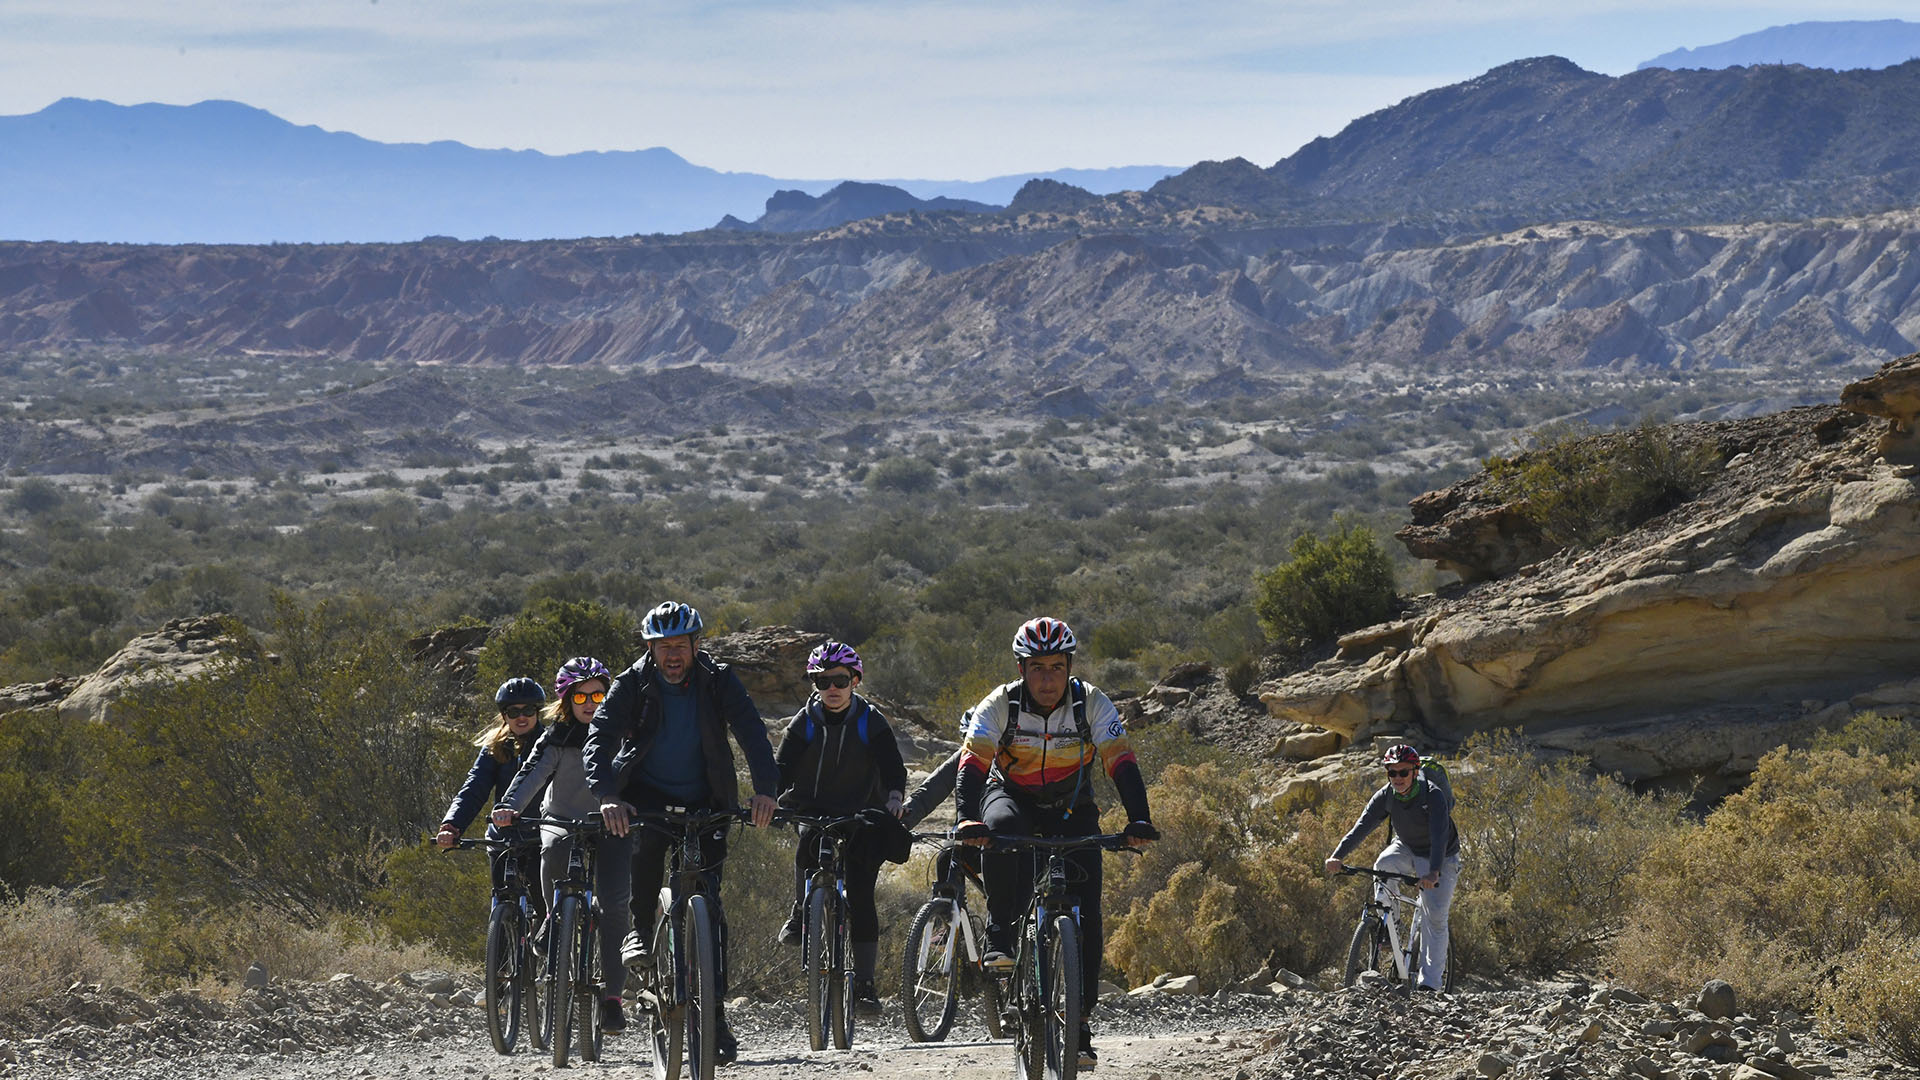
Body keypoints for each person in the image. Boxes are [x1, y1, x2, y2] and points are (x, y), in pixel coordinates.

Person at [954, 617, 1158, 1070]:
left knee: (1087, 909)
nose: (1048, 678)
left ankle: (1080, 1025)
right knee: (1002, 832)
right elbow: (972, 762)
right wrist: (967, 816)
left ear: (1069, 666)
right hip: (1012, 794)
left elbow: (1121, 762)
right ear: (1022, 669)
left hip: (1071, 806)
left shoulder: (1091, 703)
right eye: (1037, 668)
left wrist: (1139, 817)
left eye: (1056, 667)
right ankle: (1002, 933)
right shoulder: (1001, 704)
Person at [583, 601, 778, 1067]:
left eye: (680, 646)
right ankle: (642, 928)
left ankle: (714, 1017)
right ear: (650, 648)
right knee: (645, 848)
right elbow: (600, 739)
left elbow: (753, 733)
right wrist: (608, 794)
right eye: (662, 646)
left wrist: (765, 791)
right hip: (647, 794)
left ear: (696, 645)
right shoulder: (633, 682)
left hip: (707, 797)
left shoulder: (720, 680)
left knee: (709, 905)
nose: (672, 655)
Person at [490, 657, 633, 1033]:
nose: (590, 702)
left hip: (612, 825)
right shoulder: (555, 736)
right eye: (580, 696)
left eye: (598, 694)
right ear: (566, 700)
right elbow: (531, 774)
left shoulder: (623, 731)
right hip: (562, 819)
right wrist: (508, 806)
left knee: (616, 905)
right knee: (552, 848)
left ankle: (613, 1000)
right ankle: (555, 920)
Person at [771, 640, 909, 1015]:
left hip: (860, 812)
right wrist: (768, 798)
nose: (831, 689)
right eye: (822, 681)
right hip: (814, 807)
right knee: (806, 844)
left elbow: (894, 768)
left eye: (839, 680)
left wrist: (895, 796)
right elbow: (781, 770)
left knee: (862, 895)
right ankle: (801, 912)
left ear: (855, 681)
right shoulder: (805, 721)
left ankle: (864, 984)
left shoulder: (869, 719)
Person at [1324, 743, 1460, 992]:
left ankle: (1430, 984)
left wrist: (1433, 872)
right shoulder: (1386, 796)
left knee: (1436, 917)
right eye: (1392, 772)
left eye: (1403, 772)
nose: (1397, 778)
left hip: (1441, 855)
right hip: (1407, 847)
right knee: (1383, 865)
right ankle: (1389, 927)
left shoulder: (1433, 795)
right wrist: (1338, 856)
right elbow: (1361, 827)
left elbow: (1440, 836)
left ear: (1415, 771)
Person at [436, 677, 548, 920]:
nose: (521, 717)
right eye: (513, 711)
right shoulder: (494, 748)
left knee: (543, 905)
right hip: (502, 837)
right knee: (501, 901)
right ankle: (502, 949)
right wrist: (452, 825)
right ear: (503, 715)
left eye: (528, 710)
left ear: (538, 712)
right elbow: (475, 787)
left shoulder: (551, 744)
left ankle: (549, 946)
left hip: (541, 836)